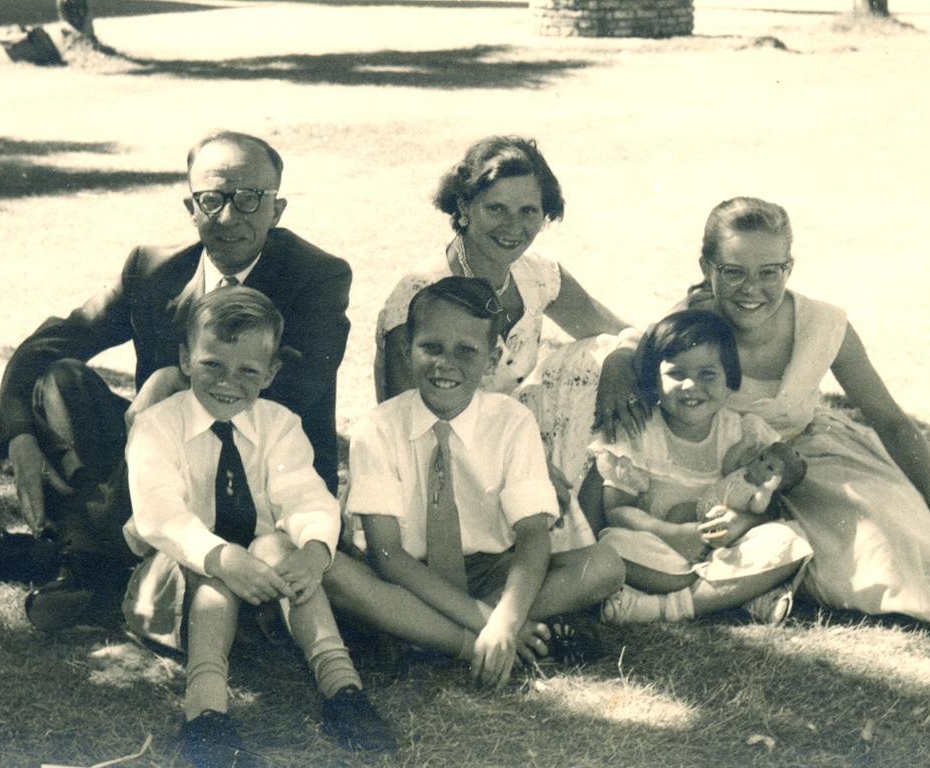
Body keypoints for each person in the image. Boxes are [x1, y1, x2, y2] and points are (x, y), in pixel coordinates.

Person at [0, 131, 351, 628]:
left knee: (160, 418)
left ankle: (92, 566)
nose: (229, 217)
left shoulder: (317, 275)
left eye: (249, 199)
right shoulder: (154, 267)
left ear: (277, 209)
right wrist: (21, 434)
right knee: (62, 380)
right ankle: (104, 562)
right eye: (212, 199)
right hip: (161, 462)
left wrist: (171, 381)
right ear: (190, 205)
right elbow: (51, 343)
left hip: (262, 467)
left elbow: (296, 385)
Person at [612, 196, 930, 631]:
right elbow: (637, 348)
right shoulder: (690, 322)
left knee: (911, 550)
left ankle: (768, 581)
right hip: (722, 471)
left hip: (814, 461)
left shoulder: (823, 323)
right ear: (707, 268)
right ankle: (757, 584)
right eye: (733, 271)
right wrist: (617, 361)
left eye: (769, 272)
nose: (751, 289)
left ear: (789, 268)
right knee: (864, 570)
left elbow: (890, 419)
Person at [122, 287, 395, 764]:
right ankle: (205, 714)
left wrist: (313, 551)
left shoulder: (280, 425)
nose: (229, 382)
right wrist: (222, 556)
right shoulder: (156, 427)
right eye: (213, 365)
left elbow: (305, 496)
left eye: (248, 370)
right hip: (176, 584)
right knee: (212, 561)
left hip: (267, 589)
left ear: (269, 374)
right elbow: (160, 514)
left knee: (278, 545)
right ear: (186, 359)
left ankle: (342, 689)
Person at [338, 277, 624, 689]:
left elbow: (531, 537)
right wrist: (492, 622)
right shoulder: (377, 428)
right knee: (335, 575)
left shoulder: (512, 422)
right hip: (406, 577)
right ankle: (472, 642)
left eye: (466, 351)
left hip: (488, 570)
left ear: (491, 362)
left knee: (604, 565)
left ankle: (419, 635)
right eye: (431, 347)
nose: (445, 363)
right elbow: (388, 556)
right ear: (407, 349)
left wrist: (505, 615)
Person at [374, 136, 643, 547]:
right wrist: (527, 465)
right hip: (443, 458)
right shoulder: (422, 291)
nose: (513, 227)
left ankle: (585, 526)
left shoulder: (536, 273)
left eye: (528, 211)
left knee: (598, 358)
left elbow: (619, 330)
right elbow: (408, 420)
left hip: (509, 434)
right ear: (464, 207)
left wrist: (620, 356)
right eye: (496, 208)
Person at [593, 310, 813, 626]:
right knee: (614, 544)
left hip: (725, 549)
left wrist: (743, 522)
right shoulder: (642, 434)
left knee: (787, 539)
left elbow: (770, 505)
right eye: (676, 373)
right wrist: (671, 535)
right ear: (654, 381)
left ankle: (661, 608)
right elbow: (617, 511)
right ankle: (742, 596)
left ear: (730, 381)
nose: (691, 386)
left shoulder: (743, 433)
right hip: (661, 552)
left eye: (708, 374)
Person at [693, 441, 808, 524]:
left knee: (689, 531)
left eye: (770, 468)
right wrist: (744, 443)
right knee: (678, 512)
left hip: (718, 521)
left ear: (778, 484)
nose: (761, 464)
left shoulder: (760, 493)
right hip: (705, 503)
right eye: (762, 458)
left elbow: (756, 509)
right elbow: (727, 467)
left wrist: (766, 491)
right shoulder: (743, 471)